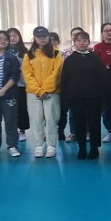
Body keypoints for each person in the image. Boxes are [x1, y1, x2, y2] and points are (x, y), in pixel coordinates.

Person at [61, 30, 106, 160]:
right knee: (79, 123)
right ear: (74, 43)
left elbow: (102, 79)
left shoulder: (95, 59)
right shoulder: (69, 60)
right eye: (79, 41)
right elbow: (65, 80)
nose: (82, 43)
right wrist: (66, 99)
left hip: (94, 98)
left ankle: (94, 148)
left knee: (94, 123)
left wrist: (103, 97)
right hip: (76, 98)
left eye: (85, 41)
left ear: (89, 42)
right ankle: (81, 147)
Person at [22, 26, 63, 158]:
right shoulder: (29, 55)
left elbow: (56, 73)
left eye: (44, 36)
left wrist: (46, 89)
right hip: (34, 93)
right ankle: (39, 145)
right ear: (34, 38)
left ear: (48, 37)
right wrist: (38, 91)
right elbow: (27, 75)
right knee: (36, 119)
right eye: (39, 37)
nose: (42, 39)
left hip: (52, 92)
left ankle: (51, 145)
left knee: (52, 119)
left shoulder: (56, 54)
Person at [93, 22, 111, 144]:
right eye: (106, 31)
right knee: (105, 111)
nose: (109, 32)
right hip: (102, 86)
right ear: (102, 33)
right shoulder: (97, 48)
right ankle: (109, 131)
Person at [59, 27, 85, 142]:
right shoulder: (65, 53)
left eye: (79, 35)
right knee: (72, 113)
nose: (77, 37)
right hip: (72, 88)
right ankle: (73, 132)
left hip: (86, 88)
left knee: (86, 113)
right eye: (74, 35)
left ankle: (87, 132)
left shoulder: (90, 51)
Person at [7, 27, 30, 142]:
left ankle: (22, 130)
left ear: (19, 37)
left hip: (21, 84)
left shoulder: (25, 51)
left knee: (22, 108)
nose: (12, 38)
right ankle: (12, 130)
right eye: (10, 36)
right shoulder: (1, 50)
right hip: (6, 86)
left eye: (15, 36)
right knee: (9, 109)